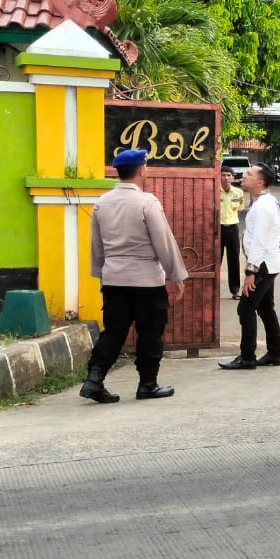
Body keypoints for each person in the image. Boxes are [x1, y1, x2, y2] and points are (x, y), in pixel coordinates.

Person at [80, 148, 189, 404]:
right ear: (142, 169)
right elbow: (163, 241)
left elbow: (96, 245)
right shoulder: (147, 203)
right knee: (150, 331)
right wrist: (176, 274)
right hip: (146, 280)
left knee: (114, 332)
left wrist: (100, 275)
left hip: (114, 278)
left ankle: (94, 379)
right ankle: (147, 384)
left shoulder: (102, 203)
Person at [220, 164, 280, 370]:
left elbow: (258, 241)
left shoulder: (262, 206)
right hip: (270, 262)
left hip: (263, 266)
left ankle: (247, 356)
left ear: (260, 182)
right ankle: (274, 353)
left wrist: (251, 272)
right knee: (266, 308)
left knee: (246, 308)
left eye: (249, 174)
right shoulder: (268, 201)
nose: (244, 175)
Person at [218, 167, 245, 299]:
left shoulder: (239, 193)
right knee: (216, 259)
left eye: (229, 175)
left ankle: (235, 290)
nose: (226, 178)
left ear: (233, 177)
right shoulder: (214, 191)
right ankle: (213, 289)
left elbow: (239, 208)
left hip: (233, 228)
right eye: (223, 175)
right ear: (219, 176)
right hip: (217, 228)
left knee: (234, 260)